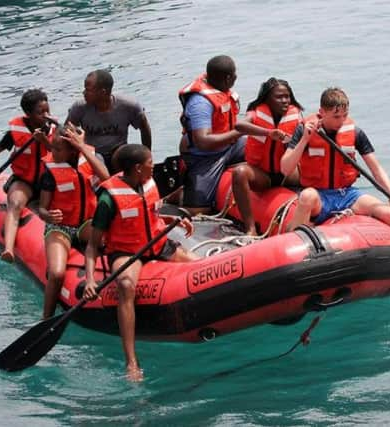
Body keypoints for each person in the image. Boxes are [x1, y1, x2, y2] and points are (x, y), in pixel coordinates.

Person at [83, 144, 199, 382]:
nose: (152, 165)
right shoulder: (108, 198)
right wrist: (90, 280)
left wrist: (173, 219)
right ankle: (131, 361)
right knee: (126, 286)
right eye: (149, 162)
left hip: (157, 244)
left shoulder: (149, 182)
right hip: (126, 252)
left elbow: (150, 214)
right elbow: (93, 244)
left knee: (199, 264)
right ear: (137, 168)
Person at [280, 87, 390, 236]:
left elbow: (376, 169)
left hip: (347, 194)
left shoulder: (355, 133)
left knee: (389, 214)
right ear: (322, 112)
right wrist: (304, 140)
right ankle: (292, 235)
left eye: (344, 116)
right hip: (319, 195)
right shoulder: (304, 130)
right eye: (336, 116)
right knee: (307, 196)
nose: (341, 121)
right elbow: (285, 169)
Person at [38, 124, 110, 320]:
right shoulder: (50, 172)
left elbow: (106, 178)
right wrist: (48, 215)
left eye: (58, 149)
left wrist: (83, 148)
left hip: (87, 222)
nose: (53, 152)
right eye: (52, 147)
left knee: (109, 241)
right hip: (59, 227)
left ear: (73, 150)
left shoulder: (91, 160)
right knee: (57, 273)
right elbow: (41, 209)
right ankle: (46, 318)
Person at [0, 88, 55, 263]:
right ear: (28, 114)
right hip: (25, 180)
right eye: (40, 113)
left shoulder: (55, 131)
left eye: (47, 110)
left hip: (49, 182)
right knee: (15, 204)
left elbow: (61, 154)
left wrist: (44, 141)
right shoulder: (15, 132)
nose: (46, 115)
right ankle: (8, 249)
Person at [232, 77, 304, 235]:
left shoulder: (296, 116)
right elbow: (239, 126)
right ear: (268, 99)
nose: (285, 101)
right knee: (239, 173)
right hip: (263, 175)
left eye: (287, 96)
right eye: (279, 97)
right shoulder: (256, 113)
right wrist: (268, 133)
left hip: (287, 174)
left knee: (313, 168)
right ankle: (250, 228)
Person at [178, 55, 246, 215]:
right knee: (198, 210)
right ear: (228, 77)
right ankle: (180, 193)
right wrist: (238, 132)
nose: (236, 77)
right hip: (205, 156)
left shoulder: (221, 89)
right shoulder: (200, 103)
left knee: (261, 145)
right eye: (234, 74)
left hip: (231, 145)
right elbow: (203, 141)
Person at [65, 69, 152, 173]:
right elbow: (66, 132)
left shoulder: (129, 106)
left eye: (88, 90)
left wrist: (147, 156)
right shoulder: (79, 107)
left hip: (118, 152)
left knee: (128, 156)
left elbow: (144, 128)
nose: (84, 93)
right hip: (92, 153)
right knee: (97, 158)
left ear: (102, 92)